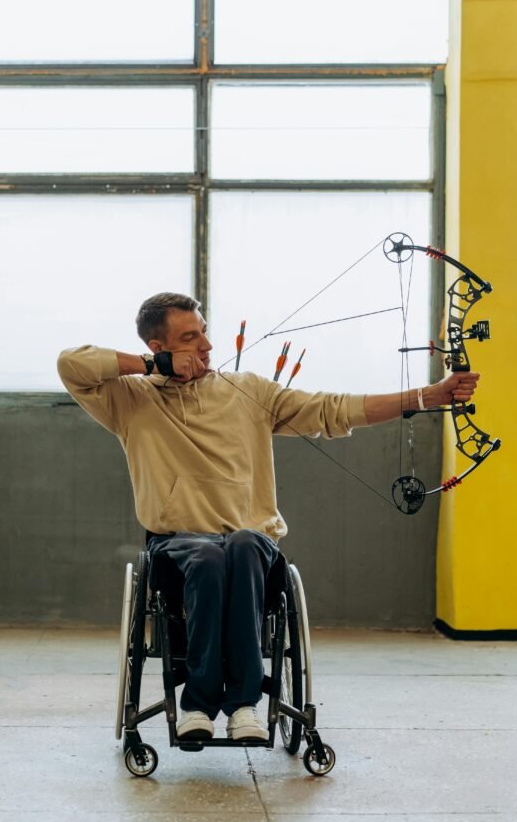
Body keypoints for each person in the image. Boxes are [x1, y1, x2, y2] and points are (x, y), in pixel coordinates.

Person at [57, 292, 479, 742]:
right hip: (177, 546)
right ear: (160, 346)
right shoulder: (130, 399)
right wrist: (153, 367)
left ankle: (243, 706)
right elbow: (72, 365)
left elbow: (330, 409)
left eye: (204, 332)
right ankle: (197, 705)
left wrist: (426, 396)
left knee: (240, 543)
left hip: (251, 543)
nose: (206, 346)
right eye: (190, 337)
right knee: (206, 556)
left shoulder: (248, 391)